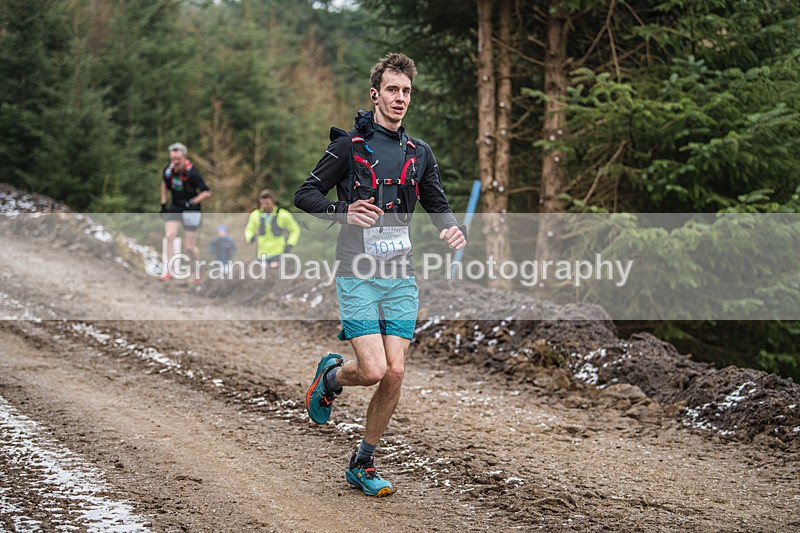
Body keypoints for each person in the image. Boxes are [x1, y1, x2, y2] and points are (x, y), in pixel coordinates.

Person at [294, 52, 466, 497]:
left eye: (406, 91)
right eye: (392, 89)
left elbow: (436, 200)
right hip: (357, 272)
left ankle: (362, 463)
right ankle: (331, 378)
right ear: (375, 94)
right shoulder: (348, 147)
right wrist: (343, 211)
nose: (400, 98)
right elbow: (305, 193)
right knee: (371, 370)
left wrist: (449, 226)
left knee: (394, 373)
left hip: (400, 276)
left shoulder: (419, 153)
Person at [159, 142, 211, 284]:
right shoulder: (168, 171)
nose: (175, 162)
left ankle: (197, 270)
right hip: (175, 206)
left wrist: (193, 201)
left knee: (189, 247)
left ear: (184, 158)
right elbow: (164, 184)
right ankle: (170, 270)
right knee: (169, 236)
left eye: (178, 160)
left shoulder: (192, 172)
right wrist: (163, 203)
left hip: (190, 208)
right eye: (173, 159)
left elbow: (206, 192)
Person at [244, 189, 301, 268]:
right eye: (262, 204)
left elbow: (295, 230)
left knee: (274, 268)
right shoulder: (255, 215)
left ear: (273, 202)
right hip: (262, 252)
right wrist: (250, 237)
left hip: (278, 251)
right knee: (262, 273)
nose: (264, 206)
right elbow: (249, 229)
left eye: (267, 204)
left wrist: (290, 243)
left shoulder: (283, 215)